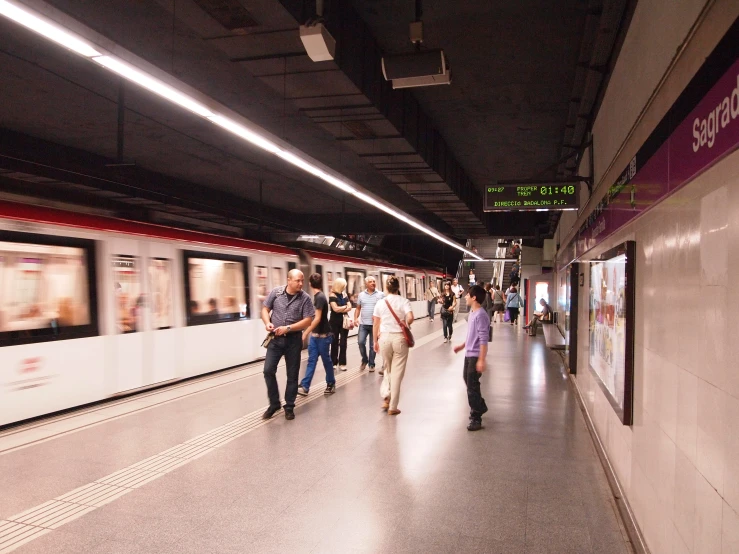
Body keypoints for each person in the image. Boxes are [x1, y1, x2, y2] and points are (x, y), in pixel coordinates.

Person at [261, 269, 315, 420]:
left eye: (302, 280)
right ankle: (274, 403)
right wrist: (267, 323)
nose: (300, 283)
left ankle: (289, 406)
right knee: (268, 370)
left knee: (292, 375)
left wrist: (289, 328)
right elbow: (265, 309)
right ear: (289, 280)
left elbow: (308, 320)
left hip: (293, 340)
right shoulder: (276, 293)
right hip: (275, 339)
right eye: (297, 280)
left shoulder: (305, 298)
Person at [373, 276, 414, 415]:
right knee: (397, 374)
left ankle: (386, 397)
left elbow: (376, 324)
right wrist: (406, 323)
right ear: (398, 287)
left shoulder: (380, 303)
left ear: (386, 287)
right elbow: (410, 317)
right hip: (399, 339)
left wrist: (374, 341)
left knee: (387, 370)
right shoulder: (404, 301)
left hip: (384, 338)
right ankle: (392, 406)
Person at [453, 285, 489, 431]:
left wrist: (481, 359)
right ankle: (479, 405)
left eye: (468, 295)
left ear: (474, 298)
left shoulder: (480, 315)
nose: (466, 297)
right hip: (469, 354)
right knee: (469, 382)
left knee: (471, 386)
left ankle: (476, 417)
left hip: (475, 356)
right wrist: (462, 346)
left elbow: (483, 339)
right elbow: (471, 335)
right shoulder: (473, 313)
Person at [297, 274, 336, 396]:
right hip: (316, 336)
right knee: (312, 360)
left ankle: (331, 383)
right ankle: (305, 385)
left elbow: (318, 318)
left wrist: (306, 332)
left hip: (323, 336)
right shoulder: (318, 296)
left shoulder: (320, 297)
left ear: (309, 283)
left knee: (326, 361)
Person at [354, 276, 384, 372]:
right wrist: (355, 318)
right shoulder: (361, 295)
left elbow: (384, 309)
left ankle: (371, 364)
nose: (372, 283)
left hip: (375, 324)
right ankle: (364, 359)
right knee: (360, 342)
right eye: (370, 282)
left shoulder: (381, 295)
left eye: (374, 281)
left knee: (372, 345)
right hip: (363, 324)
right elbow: (358, 308)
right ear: (366, 284)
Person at [329, 278, 352, 371]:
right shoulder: (332, 295)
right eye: (343, 286)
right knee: (334, 342)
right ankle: (333, 362)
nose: (344, 287)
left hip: (344, 321)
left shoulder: (344, 294)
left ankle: (342, 363)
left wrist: (342, 308)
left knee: (343, 343)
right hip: (334, 322)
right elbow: (335, 309)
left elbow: (350, 307)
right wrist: (345, 307)